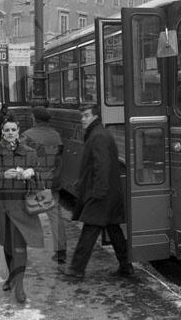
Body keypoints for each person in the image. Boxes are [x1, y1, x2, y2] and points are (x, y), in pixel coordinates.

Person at [59, 104, 132, 280]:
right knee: (114, 230)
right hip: (107, 192)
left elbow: (102, 166)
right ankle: (126, 266)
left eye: (86, 115)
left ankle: (76, 269)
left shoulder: (98, 136)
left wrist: (98, 192)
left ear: (95, 116)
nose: (82, 119)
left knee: (89, 231)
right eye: (82, 116)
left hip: (101, 193)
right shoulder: (99, 133)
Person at [0, 118, 43, 303]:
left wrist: (31, 173)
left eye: (13, 130)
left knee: (20, 244)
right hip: (1, 204)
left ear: (18, 131)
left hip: (22, 204)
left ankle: (20, 287)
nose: (10, 133)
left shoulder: (30, 152)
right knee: (8, 244)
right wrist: (3, 175)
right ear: (2, 132)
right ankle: (11, 276)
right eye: (6, 130)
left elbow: (40, 176)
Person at [19, 106, 66, 263]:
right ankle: (60, 251)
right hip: (52, 181)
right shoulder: (56, 136)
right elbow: (59, 160)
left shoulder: (27, 136)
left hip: (34, 182)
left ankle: (20, 248)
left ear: (34, 119)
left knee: (24, 214)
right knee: (55, 216)